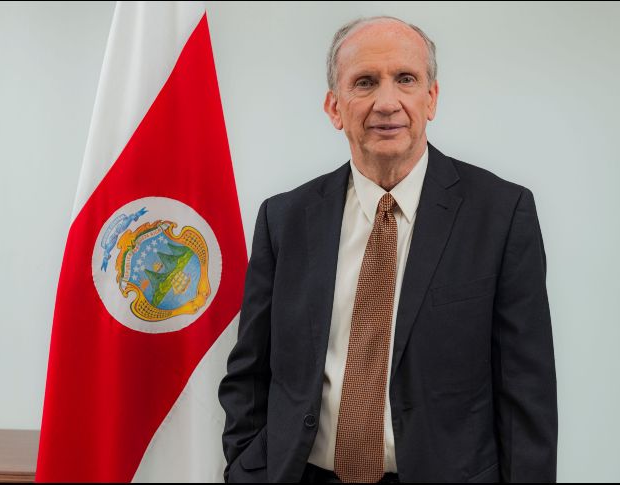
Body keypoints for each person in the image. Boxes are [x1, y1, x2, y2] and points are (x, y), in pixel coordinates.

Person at [218, 15, 558, 483]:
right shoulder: (285, 219)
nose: (386, 102)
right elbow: (250, 374)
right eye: (364, 82)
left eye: (405, 79)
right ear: (335, 107)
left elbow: (527, 392)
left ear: (431, 98)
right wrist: (246, 470)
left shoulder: (501, 214)